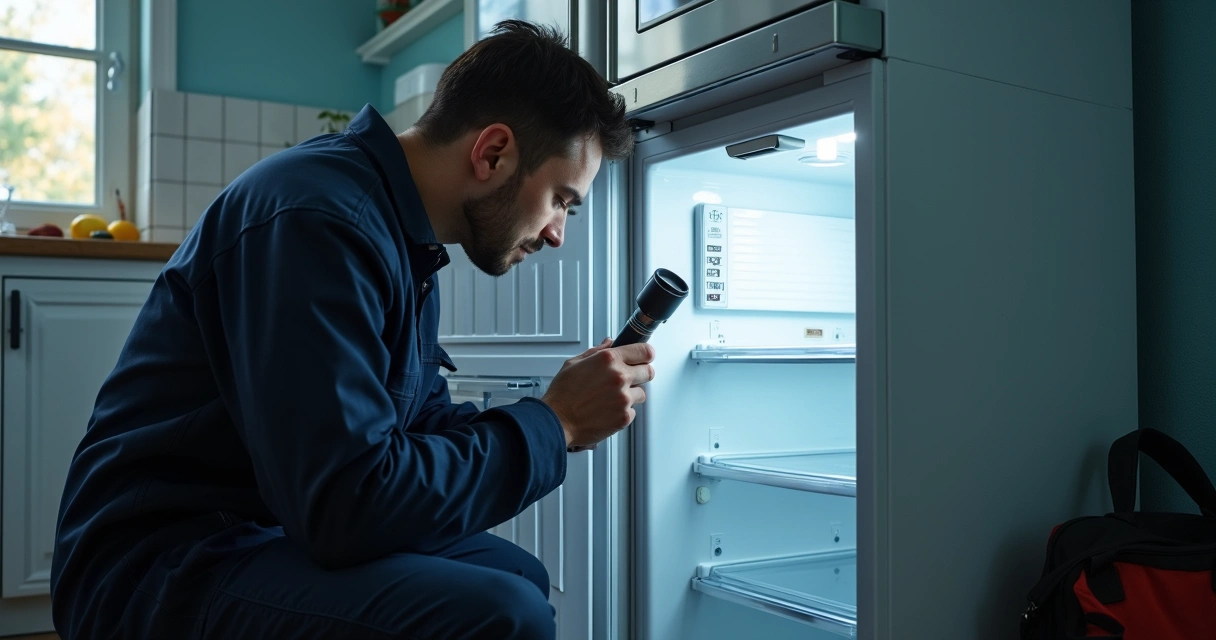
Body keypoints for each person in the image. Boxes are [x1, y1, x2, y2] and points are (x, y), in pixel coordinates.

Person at [50, 20, 649, 640]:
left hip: (256, 525)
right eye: (561, 198)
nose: (557, 232)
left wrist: (559, 412)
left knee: (515, 574)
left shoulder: (393, 233)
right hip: (157, 564)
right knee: (503, 615)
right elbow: (347, 505)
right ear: (492, 152)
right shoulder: (318, 218)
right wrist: (555, 424)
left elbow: (406, 434)